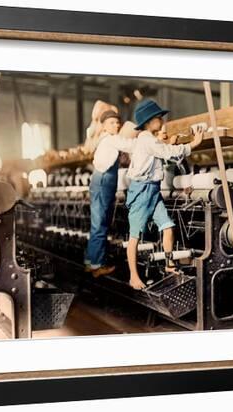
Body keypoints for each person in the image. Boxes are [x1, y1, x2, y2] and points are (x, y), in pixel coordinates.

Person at [126, 99, 204, 289]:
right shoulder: (146, 139)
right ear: (149, 121)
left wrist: (168, 143)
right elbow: (167, 153)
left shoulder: (149, 139)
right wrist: (193, 144)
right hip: (142, 190)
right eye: (158, 118)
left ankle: (169, 264)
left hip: (153, 189)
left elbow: (161, 150)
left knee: (168, 226)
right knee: (134, 236)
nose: (161, 121)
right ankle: (133, 276)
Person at [85, 110, 137, 277]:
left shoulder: (103, 139)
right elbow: (131, 145)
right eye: (112, 123)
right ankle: (97, 266)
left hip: (101, 181)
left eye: (117, 122)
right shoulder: (111, 139)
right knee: (100, 223)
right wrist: (148, 139)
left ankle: (91, 262)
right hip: (103, 182)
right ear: (104, 126)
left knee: (97, 223)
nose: (116, 125)